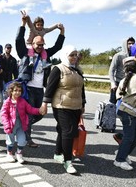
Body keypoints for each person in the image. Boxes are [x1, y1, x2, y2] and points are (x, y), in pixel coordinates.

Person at [16, 11, 65, 148]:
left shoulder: (46, 55)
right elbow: (18, 40)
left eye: (42, 45)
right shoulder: (25, 54)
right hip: (29, 88)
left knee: (40, 113)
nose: (40, 47)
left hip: (40, 89)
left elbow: (58, 47)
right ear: (33, 44)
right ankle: (28, 138)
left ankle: (23, 124)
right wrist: (23, 24)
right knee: (30, 114)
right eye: (38, 45)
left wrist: (62, 33)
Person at [40, 45, 86, 174]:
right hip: (61, 106)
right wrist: (44, 104)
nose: (74, 57)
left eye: (76, 55)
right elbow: (50, 88)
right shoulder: (58, 69)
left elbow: (81, 89)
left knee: (62, 130)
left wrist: (83, 104)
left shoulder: (77, 70)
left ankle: (57, 153)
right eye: (72, 55)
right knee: (68, 132)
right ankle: (68, 161)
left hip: (76, 106)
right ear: (66, 55)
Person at [114, 52, 136, 171]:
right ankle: (119, 160)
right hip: (129, 112)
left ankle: (123, 151)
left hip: (130, 111)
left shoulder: (125, 79)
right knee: (129, 137)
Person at [0, 82, 46, 163]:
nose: (17, 92)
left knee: (22, 141)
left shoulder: (23, 101)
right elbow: (3, 114)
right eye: (15, 90)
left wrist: (39, 111)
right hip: (11, 125)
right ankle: (9, 154)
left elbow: (30, 109)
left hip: (21, 125)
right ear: (11, 91)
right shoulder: (7, 102)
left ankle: (19, 154)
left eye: (19, 91)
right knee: (10, 141)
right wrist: (6, 125)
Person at [109, 37, 135, 144]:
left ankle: (125, 132)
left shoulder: (135, 56)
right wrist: (112, 83)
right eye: (129, 43)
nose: (131, 45)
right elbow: (111, 70)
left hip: (130, 86)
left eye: (133, 43)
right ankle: (109, 123)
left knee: (126, 109)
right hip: (118, 84)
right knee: (113, 107)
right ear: (125, 44)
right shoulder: (118, 55)